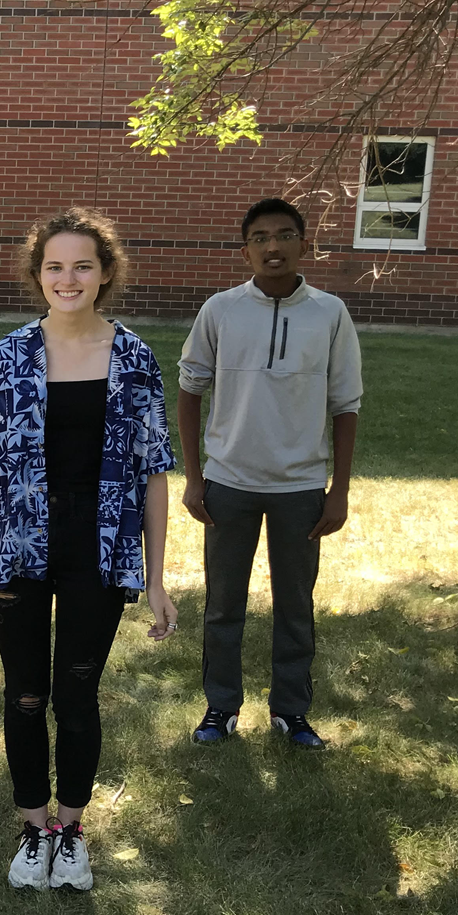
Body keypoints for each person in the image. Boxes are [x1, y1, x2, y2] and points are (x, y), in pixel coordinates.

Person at [0, 208, 178, 891]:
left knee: (76, 695)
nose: (67, 278)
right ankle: (32, 827)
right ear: (37, 274)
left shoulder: (134, 359)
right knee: (25, 694)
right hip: (18, 546)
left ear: (105, 274)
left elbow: (154, 471)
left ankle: (70, 831)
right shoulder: (9, 355)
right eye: (54, 266)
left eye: (82, 265)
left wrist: (158, 579)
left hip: (99, 551)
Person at [177, 197, 363, 750]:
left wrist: (339, 491)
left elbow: (345, 405)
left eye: (284, 235)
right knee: (222, 604)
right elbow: (189, 391)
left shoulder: (329, 313)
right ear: (246, 249)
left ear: (304, 245)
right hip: (228, 484)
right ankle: (220, 707)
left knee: (296, 604)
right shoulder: (220, 309)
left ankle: (291, 711)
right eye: (260, 237)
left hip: (300, 488)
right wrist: (194, 477)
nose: (272, 246)